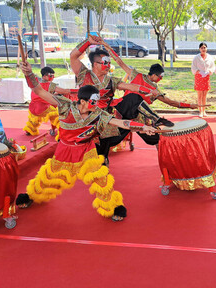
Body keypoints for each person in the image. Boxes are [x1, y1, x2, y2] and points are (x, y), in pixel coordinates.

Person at [17, 60, 158, 221]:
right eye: (93, 101)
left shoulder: (97, 112)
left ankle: (112, 206)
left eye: (97, 101)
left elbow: (119, 122)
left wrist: (142, 127)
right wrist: (28, 73)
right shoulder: (65, 106)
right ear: (82, 101)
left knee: (101, 179)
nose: (96, 104)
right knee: (50, 177)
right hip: (65, 151)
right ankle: (31, 195)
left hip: (87, 151)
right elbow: (38, 90)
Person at [97, 39, 199, 161]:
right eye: (160, 76)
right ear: (154, 75)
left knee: (156, 136)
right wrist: (107, 47)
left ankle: (164, 159)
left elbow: (172, 102)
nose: (160, 79)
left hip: (138, 118)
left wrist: (190, 105)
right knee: (134, 100)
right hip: (122, 111)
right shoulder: (136, 75)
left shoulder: (155, 90)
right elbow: (119, 61)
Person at [70, 35, 171, 128]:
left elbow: (131, 86)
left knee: (134, 98)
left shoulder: (111, 80)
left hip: (109, 115)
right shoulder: (83, 74)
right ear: (95, 64)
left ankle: (156, 120)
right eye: (106, 63)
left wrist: (149, 90)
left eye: (109, 63)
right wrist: (88, 42)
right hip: (89, 116)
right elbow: (73, 56)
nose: (109, 66)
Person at [23, 67, 71, 136]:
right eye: (51, 76)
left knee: (33, 119)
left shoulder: (36, 83)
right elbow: (64, 91)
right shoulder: (50, 85)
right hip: (43, 108)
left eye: (53, 75)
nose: (53, 77)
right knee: (57, 116)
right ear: (45, 76)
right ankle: (61, 132)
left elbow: (45, 93)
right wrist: (76, 91)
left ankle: (29, 130)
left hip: (32, 107)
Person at [192, 42, 215, 118]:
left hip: (206, 77)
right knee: (199, 95)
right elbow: (193, 68)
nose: (203, 49)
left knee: (205, 95)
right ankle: (200, 111)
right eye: (202, 48)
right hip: (199, 77)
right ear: (199, 49)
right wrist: (198, 71)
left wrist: (209, 71)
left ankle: (204, 110)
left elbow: (212, 67)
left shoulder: (210, 57)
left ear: (207, 48)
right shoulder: (196, 58)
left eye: (204, 47)